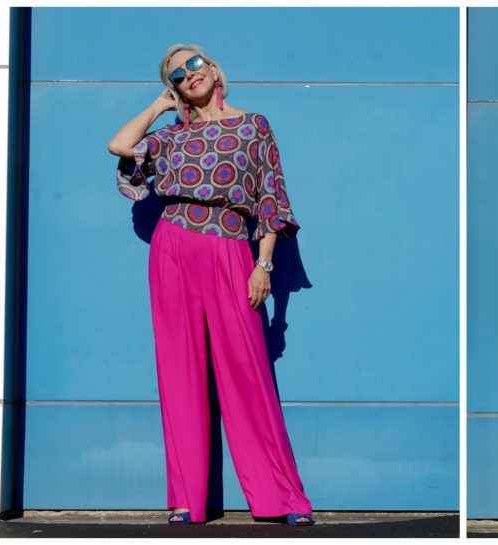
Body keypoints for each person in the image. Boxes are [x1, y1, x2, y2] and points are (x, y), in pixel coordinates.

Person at [107, 44, 314, 526]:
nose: (188, 74)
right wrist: (160, 106)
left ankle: (282, 498)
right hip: (172, 246)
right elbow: (119, 146)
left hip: (229, 248)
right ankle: (186, 501)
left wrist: (262, 265)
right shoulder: (169, 138)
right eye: (176, 75)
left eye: (194, 64)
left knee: (248, 376)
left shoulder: (254, 126)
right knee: (179, 372)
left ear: (214, 68)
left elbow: (271, 199)